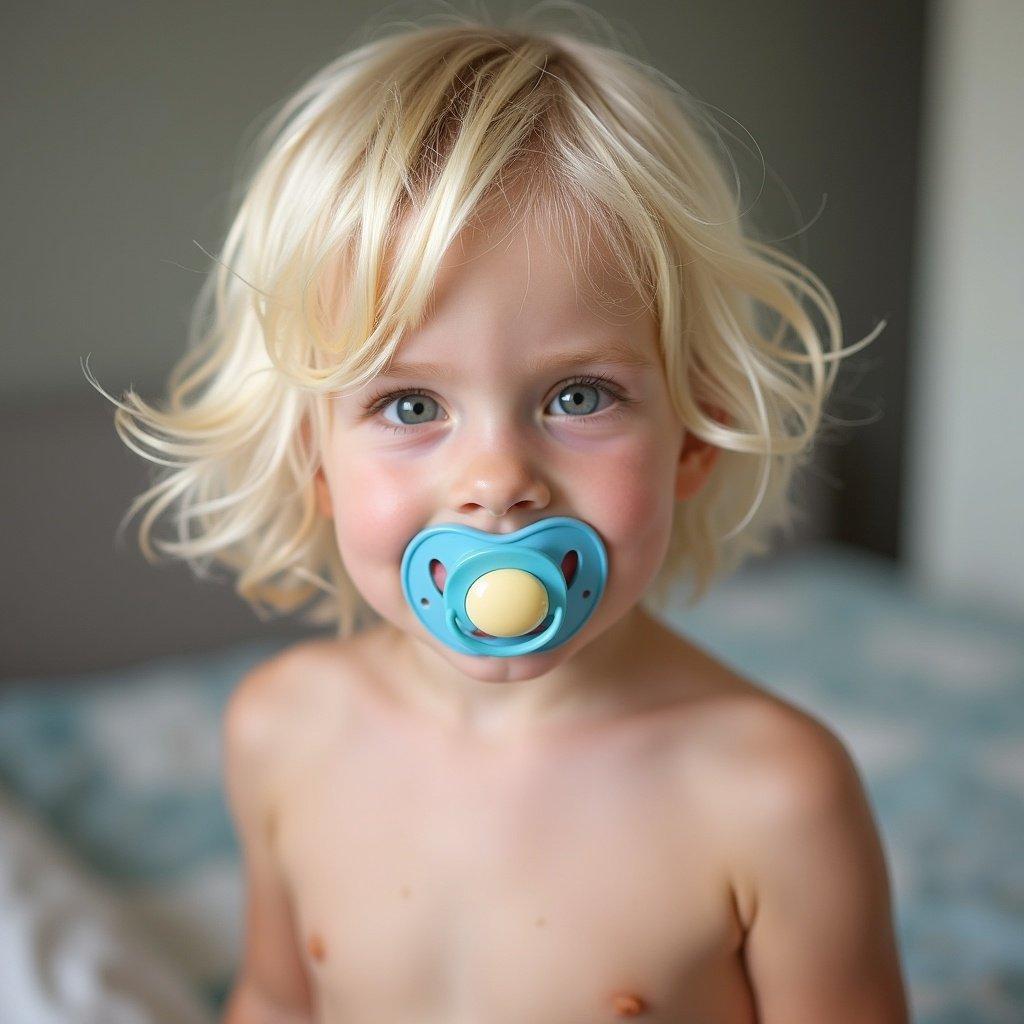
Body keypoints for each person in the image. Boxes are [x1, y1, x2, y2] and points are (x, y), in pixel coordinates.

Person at [87, 8, 909, 1022]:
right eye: (410, 405)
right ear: (314, 457)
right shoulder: (282, 729)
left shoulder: (772, 793)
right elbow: (272, 998)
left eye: (577, 396)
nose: (497, 478)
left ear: (695, 431)